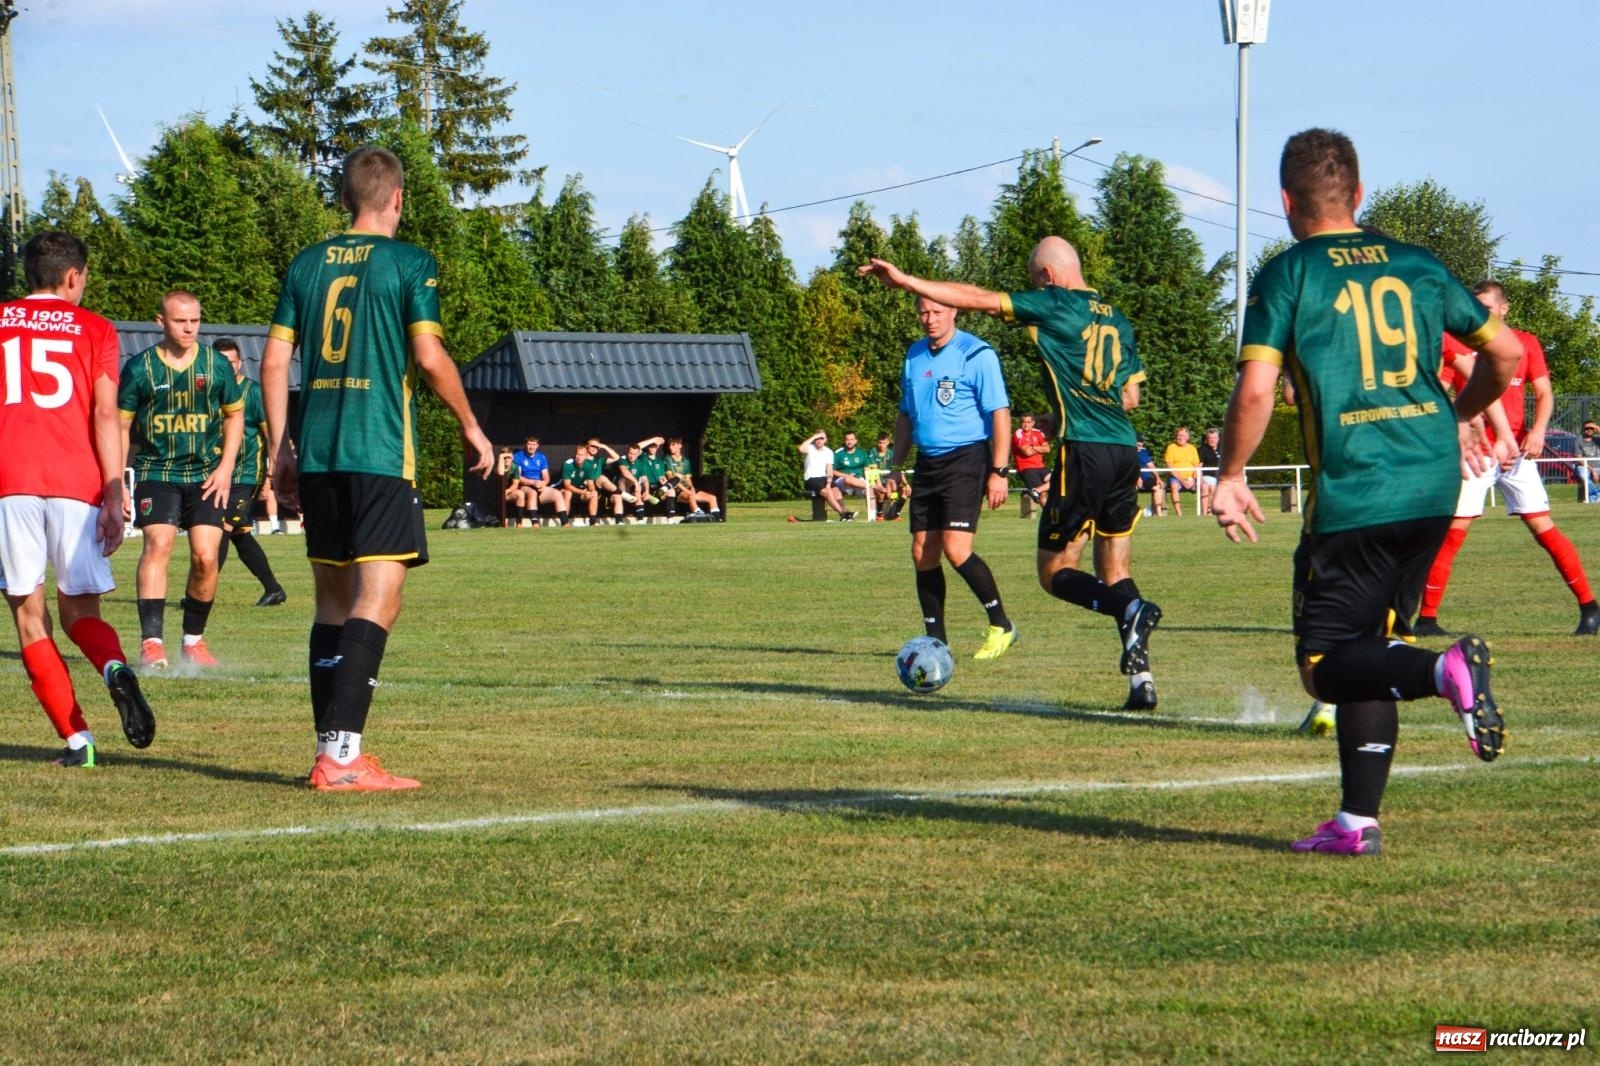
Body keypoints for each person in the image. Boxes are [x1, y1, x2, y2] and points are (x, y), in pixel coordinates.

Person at [1209, 128, 1522, 856]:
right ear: (1359, 192)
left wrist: (1228, 477)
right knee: (1371, 648)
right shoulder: (1416, 265)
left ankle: (1443, 669)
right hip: (1433, 482)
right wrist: (1461, 414)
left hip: (1357, 490)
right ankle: (1356, 821)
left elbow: (1257, 388)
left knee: (1324, 664)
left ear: (1286, 201)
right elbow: (1503, 351)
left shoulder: (1290, 274)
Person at [262, 144, 494, 791]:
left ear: (345, 199)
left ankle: (331, 750)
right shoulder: (409, 262)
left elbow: (276, 363)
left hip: (319, 454)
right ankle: (341, 759)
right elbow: (428, 353)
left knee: (331, 603)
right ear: (397, 198)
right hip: (381, 451)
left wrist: (281, 446)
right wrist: (471, 425)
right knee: (378, 598)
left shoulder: (307, 265)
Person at [861, 238, 1161, 701]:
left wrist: (905, 280)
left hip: (1084, 451)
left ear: (1046, 277)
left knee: (1053, 572)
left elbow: (978, 299)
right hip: (1124, 450)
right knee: (1114, 567)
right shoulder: (1117, 317)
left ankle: (1133, 609)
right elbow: (1130, 398)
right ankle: (1142, 682)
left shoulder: (1056, 301)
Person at [0, 232, 155, 764]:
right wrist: (114, 491)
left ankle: (78, 740)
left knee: (29, 615)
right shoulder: (95, 329)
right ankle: (114, 668)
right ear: (73, 276)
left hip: (9, 480)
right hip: (77, 482)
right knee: (79, 611)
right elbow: (106, 415)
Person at [1412, 281, 1600, 638]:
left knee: (1544, 529)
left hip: (1516, 452)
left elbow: (1543, 393)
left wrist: (1539, 430)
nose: (1479, 313)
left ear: (1504, 309)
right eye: (1474, 306)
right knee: (1453, 533)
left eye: (1486, 306)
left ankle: (1590, 608)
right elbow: (1440, 387)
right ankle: (1427, 620)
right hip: (1477, 454)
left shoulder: (1525, 343)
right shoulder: (1461, 344)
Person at [858, 290, 1018, 659]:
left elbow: (1000, 414)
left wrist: (999, 471)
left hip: (967, 459)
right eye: (923, 312)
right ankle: (937, 642)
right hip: (928, 462)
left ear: (954, 310)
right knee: (922, 553)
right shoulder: (913, 356)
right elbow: (905, 415)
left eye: (937, 311)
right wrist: (896, 467)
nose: (930, 318)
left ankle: (1002, 624)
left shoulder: (977, 354)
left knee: (956, 549)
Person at [119, 290, 244, 670]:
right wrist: (119, 481)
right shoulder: (140, 368)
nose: (189, 328)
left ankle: (193, 642)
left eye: (194, 321)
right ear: (161, 322)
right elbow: (120, 426)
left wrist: (225, 468)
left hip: (206, 475)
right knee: (159, 543)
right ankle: (152, 643)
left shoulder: (215, 365)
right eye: (180, 321)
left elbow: (234, 416)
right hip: (157, 472)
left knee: (206, 557)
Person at [213, 338, 287, 607]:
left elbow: (270, 431)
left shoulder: (253, 393)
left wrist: (274, 466)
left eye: (230, 362)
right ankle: (273, 588)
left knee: (220, 528)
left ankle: (200, 592)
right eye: (220, 361)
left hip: (246, 474)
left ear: (240, 362)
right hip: (217, 475)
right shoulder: (210, 392)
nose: (225, 366)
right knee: (239, 533)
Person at [510, 435, 567, 526]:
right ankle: (535, 523)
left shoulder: (541, 457)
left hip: (539, 485)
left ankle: (565, 523)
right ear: (525, 444)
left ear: (537, 445)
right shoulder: (518, 456)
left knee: (557, 493)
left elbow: (546, 477)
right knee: (532, 493)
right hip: (525, 486)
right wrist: (533, 483)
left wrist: (543, 484)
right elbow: (518, 477)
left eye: (534, 444)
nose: (531, 447)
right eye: (529, 444)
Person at [795, 431, 851, 521]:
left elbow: (829, 469)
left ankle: (846, 515)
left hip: (824, 478)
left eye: (822, 438)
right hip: (811, 478)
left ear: (825, 440)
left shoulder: (828, 452)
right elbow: (800, 449)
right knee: (827, 492)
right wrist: (813, 436)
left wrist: (829, 482)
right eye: (817, 438)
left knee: (836, 490)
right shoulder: (809, 448)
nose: (819, 440)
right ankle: (843, 514)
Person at [663, 436, 720, 521]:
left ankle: (716, 519)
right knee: (690, 496)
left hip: (687, 489)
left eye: (673, 445)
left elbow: (688, 479)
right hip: (677, 490)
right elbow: (672, 480)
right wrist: (687, 491)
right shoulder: (667, 459)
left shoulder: (686, 461)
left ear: (680, 445)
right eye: (669, 445)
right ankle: (699, 516)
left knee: (712, 498)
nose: (670, 447)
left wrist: (692, 488)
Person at [1013, 413, 1049, 518]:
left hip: (1041, 467)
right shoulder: (1018, 434)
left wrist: (1033, 446)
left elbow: (1048, 449)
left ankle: (1035, 491)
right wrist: (1039, 447)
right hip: (1027, 469)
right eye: (1023, 422)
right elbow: (1027, 452)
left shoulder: (1038, 433)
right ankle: (1049, 517)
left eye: (1028, 422)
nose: (1026, 425)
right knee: (1043, 494)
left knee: (1058, 479)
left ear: (1033, 423)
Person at [1163, 427, 1201, 517]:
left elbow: (1197, 465)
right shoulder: (1171, 447)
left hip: (1191, 477)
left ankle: (1205, 512)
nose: (1181, 438)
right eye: (1179, 436)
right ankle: (1179, 513)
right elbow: (1169, 466)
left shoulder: (1192, 448)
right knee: (1174, 486)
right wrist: (1182, 480)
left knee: (1205, 485)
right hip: (1176, 477)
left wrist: (1192, 478)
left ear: (1187, 437)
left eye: (1183, 436)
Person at [559, 443, 601, 524]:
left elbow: (591, 484)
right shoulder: (567, 465)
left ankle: (593, 522)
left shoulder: (589, 465)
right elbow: (567, 485)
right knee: (568, 493)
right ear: (574, 454)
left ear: (585, 456)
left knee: (594, 493)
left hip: (582, 492)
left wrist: (590, 491)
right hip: (568, 490)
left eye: (582, 455)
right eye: (578, 454)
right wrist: (582, 492)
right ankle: (565, 522)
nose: (579, 457)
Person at [832, 431, 872, 500]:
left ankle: (873, 511)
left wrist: (870, 479)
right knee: (848, 479)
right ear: (844, 441)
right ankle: (873, 486)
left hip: (858, 480)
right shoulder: (838, 453)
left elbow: (867, 469)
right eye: (847, 440)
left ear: (855, 441)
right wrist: (845, 475)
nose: (849, 442)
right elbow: (832, 471)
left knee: (869, 492)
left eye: (851, 439)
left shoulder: (862, 453)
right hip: (843, 481)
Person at [1136, 438, 1166, 518]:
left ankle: (1158, 513)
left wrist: (1158, 478)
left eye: (1141, 442)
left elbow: (1151, 465)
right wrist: (1137, 478)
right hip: (1132, 478)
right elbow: (1128, 467)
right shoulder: (1128, 452)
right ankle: (1132, 512)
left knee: (1158, 487)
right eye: (1138, 441)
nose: (1139, 444)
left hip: (1145, 478)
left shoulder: (1144, 452)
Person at [1197, 427, 1222, 516]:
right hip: (1208, 476)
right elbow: (1199, 467)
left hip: (1221, 476)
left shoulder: (1222, 448)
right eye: (1210, 438)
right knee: (1211, 487)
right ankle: (1206, 511)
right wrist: (1201, 480)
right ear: (1207, 439)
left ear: (1218, 438)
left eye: (1215, 438)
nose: (1213, 440)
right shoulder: (1202, 450)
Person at [1577, 420, 1600, 503]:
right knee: (1583, 475)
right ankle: (1596, 496)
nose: (1589, 430)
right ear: (1583, 429)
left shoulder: (1598, 440)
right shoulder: (1578, 441)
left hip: (1599, 466)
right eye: (1587, 428)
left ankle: (1594, 497)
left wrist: (1597, 427)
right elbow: (1579, 459)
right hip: (1585, 466)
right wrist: (1593, 470)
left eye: (1591, 428)